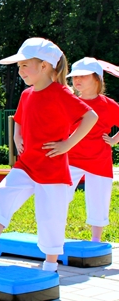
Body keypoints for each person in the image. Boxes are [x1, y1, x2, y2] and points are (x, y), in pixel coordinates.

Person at [0, 37, 98, 272]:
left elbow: (91, 117)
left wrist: (68, 144)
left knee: (50, 217)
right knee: (1, 196)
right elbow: (19, 118)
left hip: (52, 169)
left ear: (44, 66)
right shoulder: (27, 94)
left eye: (25, 65)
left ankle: (50, 266)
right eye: (19, 66)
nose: (20, 70)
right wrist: (17, 136)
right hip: (27, 164)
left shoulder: (60, 93)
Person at [65, 57, 119, 242]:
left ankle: (96, 241)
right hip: (70, 159)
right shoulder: (69, 101)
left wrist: (114, 140)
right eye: (74, 76)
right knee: (57, 195)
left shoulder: (108, 105)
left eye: (82, 76)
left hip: (99, 161)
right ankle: (54, 235)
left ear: (97, 79)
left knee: (98, 200)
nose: (76, 80)